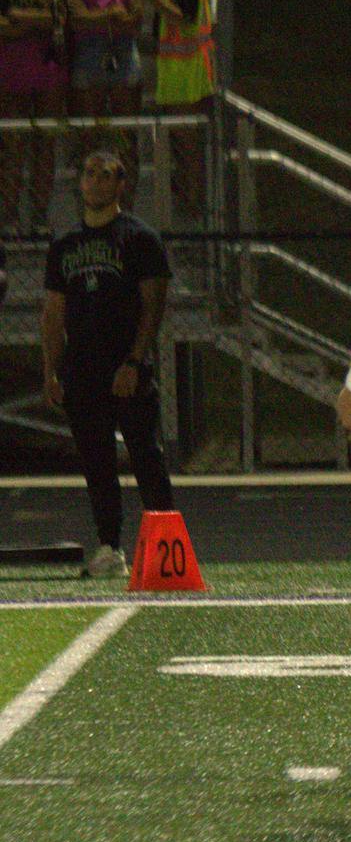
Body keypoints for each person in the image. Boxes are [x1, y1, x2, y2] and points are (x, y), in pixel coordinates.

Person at [40, 148, 173, 578]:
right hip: (82, 370)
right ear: (80, 183)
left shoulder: (140, 239)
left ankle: (166, 547)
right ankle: (109, 548)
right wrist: (51, 369)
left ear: (121, 185)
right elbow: (53, 312)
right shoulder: (65, 246)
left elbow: (153, 306)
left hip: (126, 369)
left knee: (145, 457)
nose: (96, 182)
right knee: (97, 462)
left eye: (106, 175)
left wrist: (134, 361)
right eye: (90, 174)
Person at [132, 0, 212, 227]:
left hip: (188, 75)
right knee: (180, 146)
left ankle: (192, 206)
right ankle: (187, 202)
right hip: (178, 73)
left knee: (187, 146)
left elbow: (183, 17)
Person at [1, 0, 64, 233]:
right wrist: (39, 22)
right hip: (11, 73)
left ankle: (40, 216)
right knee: (13, 146)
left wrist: (21, 20)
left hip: (47, 71)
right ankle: (9, 216)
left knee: (44, 145)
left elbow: (61, 18)